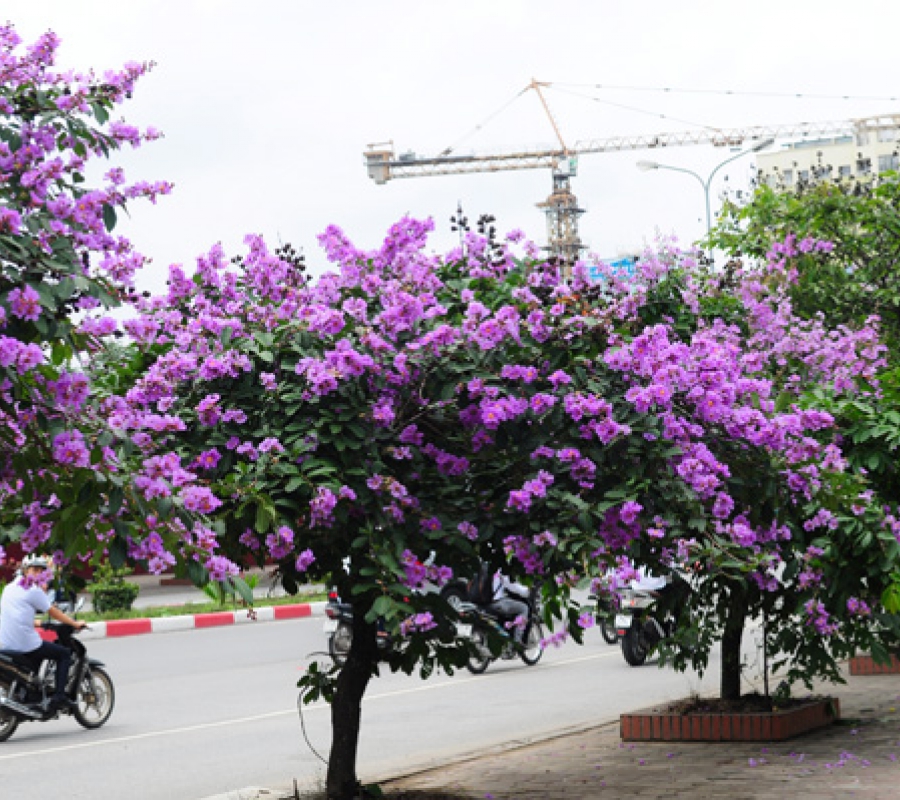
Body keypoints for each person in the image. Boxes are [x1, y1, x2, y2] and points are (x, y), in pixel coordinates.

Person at [0, 554, 86, 712]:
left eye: (41, 570)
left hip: (6, 643)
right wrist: (74, 623)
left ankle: (33, 692)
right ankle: (60, 697)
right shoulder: (33, 590)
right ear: (25, 571)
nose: (38, 574)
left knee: (39, 653)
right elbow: (53, 611)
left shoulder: (9, 587)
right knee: (64, 654)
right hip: (24, 644)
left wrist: (38, 623)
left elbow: (17, 614)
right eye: (34, 569)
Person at [487, 571, 531, 644]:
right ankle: (517, 641)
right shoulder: (499, 569)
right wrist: (526, 591)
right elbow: (511, 585)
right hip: (497, 603)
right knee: (524, 608)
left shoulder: (480, 565)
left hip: (481, 604)